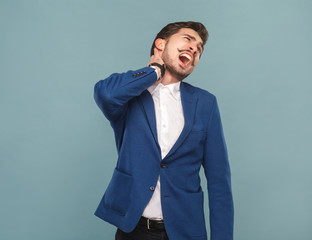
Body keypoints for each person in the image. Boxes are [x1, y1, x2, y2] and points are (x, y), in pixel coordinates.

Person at [93, 21, 233, 240]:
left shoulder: (205, 103)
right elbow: (106, 94)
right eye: (187, 39)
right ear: (160, 44)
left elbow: (219, 181)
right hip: (134, 230)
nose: (194, 49)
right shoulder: (129, 97)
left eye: (199, 49)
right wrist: (154, 71)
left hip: (186, 230)